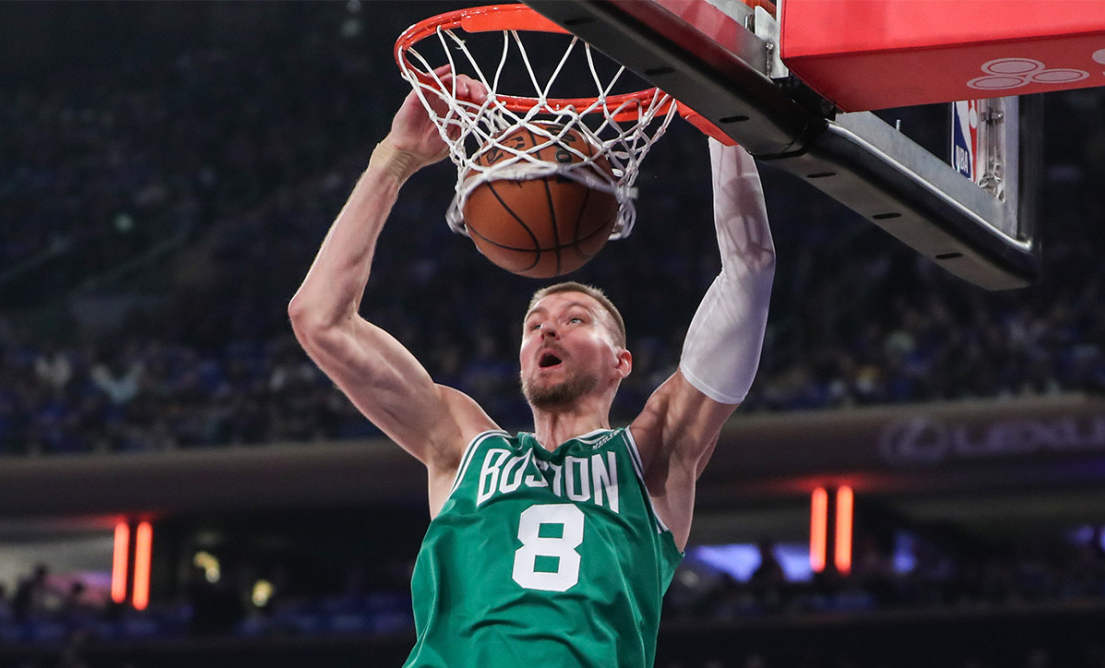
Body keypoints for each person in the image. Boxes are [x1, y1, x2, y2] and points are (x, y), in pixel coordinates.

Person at [289, 67, 775, 667]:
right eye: (534, 322)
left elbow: (749, 271)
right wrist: (392, 162)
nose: (547, 326)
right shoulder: (464, 444)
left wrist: (723, 119)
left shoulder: (653, 455)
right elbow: (320, 318)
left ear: (622, 362)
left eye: (575, 318)